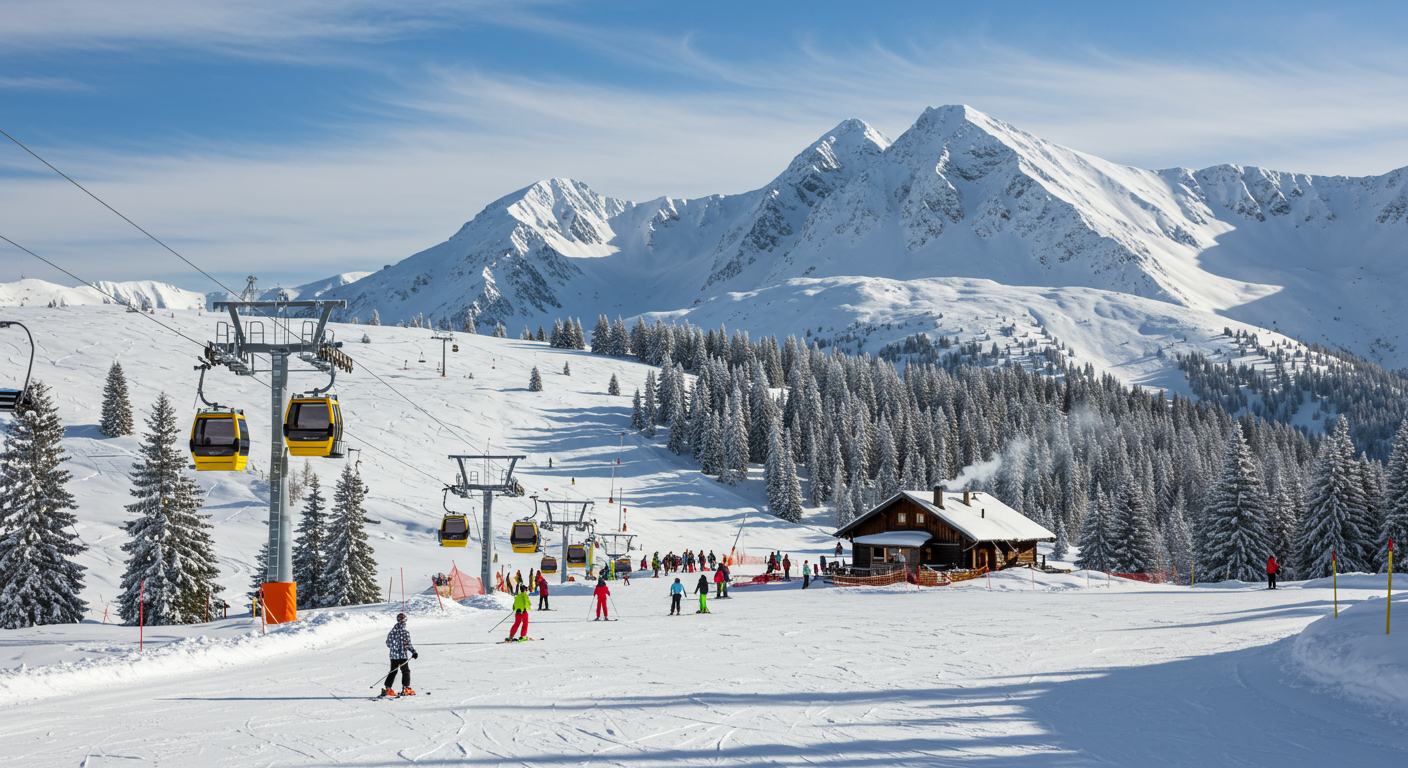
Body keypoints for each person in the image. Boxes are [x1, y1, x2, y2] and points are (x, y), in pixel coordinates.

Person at [382, 613, 418, 697]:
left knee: (393, 671)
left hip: (393, 656)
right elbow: (408, 644)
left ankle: (388, 688)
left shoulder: (392, 632)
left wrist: (394, 648)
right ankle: (406, 688)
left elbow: (388, 643)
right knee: (405, 671)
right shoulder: (405, 632)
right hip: (402, 656)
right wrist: (414, 652)